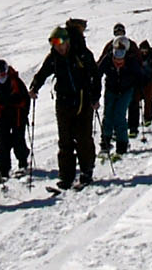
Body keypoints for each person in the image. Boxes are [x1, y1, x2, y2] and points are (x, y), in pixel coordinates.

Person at [29, 24, 98, 188]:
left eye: (60, 44)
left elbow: (95, 74)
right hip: (63, 102)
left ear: (67, 42)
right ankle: (66, 176)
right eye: (55, 45)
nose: (58, 48)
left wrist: (95, 97)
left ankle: (86, 171)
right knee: (65, 140)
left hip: (83, 101)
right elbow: (43, 73)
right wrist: (34, 86)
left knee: (83, 138)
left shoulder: (82, 54)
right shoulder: (53, 57)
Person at [97, 36, 144, 156]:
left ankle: (122, 144)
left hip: (126, 90)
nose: (118, 59)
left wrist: (139, 90)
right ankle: (105, 142)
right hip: (111, 89)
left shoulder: (131, 61)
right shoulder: (107, 59)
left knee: (119, 115)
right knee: (108, 115)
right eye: (116, 54)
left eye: (121, 54)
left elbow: (140, 75)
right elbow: (98, 73)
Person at [0, 55, 31, 182]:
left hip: (17, 116)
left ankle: (22, 163)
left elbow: (26, 99)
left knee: (18, 140)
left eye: (2, 74)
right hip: (2, 117)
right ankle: (3, 170)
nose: (0, 77)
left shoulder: (16, 81)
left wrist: (24, 115)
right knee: (2, 143)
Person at [133, 39, 152, 130]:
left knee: (148, 99)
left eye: (145, 50)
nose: (144, 52)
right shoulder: (137, 56)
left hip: (149, 80)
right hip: (139, 81)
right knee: (137, 99)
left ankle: (148, 117)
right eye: (142, 50)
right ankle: (136, 120)